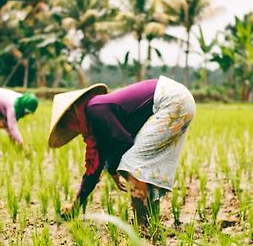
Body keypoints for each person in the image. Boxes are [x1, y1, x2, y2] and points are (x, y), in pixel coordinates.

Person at [48, 76, 196, 222]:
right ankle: (151, 221)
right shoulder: (95, 119)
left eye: (67, 124)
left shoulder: (96, 109)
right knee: (141, 168)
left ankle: (143, 223)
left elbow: (123, 142)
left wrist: (114, 168)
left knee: (132, 166)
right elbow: (95, 165)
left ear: (71, 115)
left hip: (172, 100)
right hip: (177, 99)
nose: (71, 128)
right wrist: (76, 204)